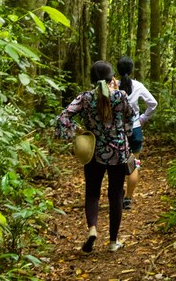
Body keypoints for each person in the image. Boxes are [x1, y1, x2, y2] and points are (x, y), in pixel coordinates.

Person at [57, 60, 133, 252]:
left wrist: (77, 132)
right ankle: (113, 242)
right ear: (111, 78)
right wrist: (125, 136)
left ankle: (92, 230)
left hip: (93, 152)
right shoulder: (121, 96)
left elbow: (62, 118)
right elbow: (129, 118)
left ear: (92, 80)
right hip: (118, 152)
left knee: (92, 193)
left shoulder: (84, 98)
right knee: (115, 195)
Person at [116, 55, 157, 210]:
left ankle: (118, 195)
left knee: (118, 165)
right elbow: (153, 103)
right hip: (135, 130)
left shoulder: (114, 87)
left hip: (118, 132)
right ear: (131, 70)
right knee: (134, 164)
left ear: (118, 70)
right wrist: (143, 118)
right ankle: (128, 199)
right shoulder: (138, 86)